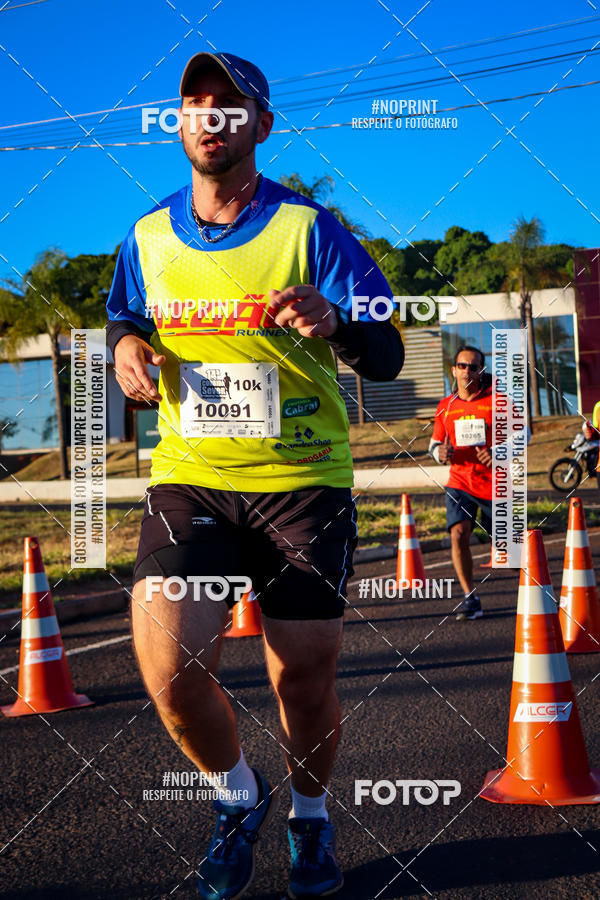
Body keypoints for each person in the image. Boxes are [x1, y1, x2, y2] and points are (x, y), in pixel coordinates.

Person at [106, 51, 404, 900]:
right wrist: (126, 348)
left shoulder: (312, 231)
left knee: (301, 678)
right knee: (167, 669)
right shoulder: (148, 236)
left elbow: (385, 353)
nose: (210, 116)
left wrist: (336, 322)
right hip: (192, 477)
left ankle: (310, 819)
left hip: (304, 482)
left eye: (230, 105)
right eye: (194, 103)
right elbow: (123, 317)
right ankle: (238, 798)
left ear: (261, 126)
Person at [429, 346, 493, 621]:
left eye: (473, 366)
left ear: (481, 370)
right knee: (458, 535)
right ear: (453, 369)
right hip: (459, 481)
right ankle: (470, 596)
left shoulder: (497, 400)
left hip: (496, 484)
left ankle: (536, 594)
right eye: (462, 365)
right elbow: (434, 443)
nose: (468, 370)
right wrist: (439, 454)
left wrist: (499, 452)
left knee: (509, 551)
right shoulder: (446, 406)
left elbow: (524, 434)